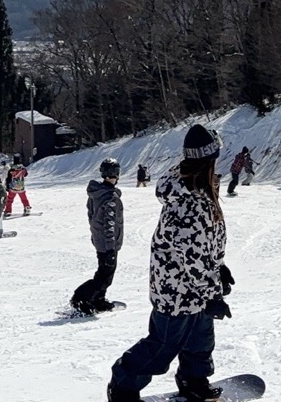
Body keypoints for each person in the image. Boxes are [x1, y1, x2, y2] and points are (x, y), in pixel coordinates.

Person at [106, 124, 235, 402]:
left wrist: (220, 266)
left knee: (200, 339)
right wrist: (212, 293)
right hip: (175, 290)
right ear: (208, 160)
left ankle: (193, 379)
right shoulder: (187, 202)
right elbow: (192, 258)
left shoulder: (201, 190)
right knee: (162, 345)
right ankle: (123, 385)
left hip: (197, 288)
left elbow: (207, 243)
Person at [71, 158, 124, 314]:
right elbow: (110, 224)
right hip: (107, 243)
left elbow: (91, 215)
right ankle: (81, 298)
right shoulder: (110, 198)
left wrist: (96, 234)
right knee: (105, 276)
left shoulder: (96, 194)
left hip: (100, 240)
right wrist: (110, 247)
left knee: (104, 271)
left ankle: (98, 299)